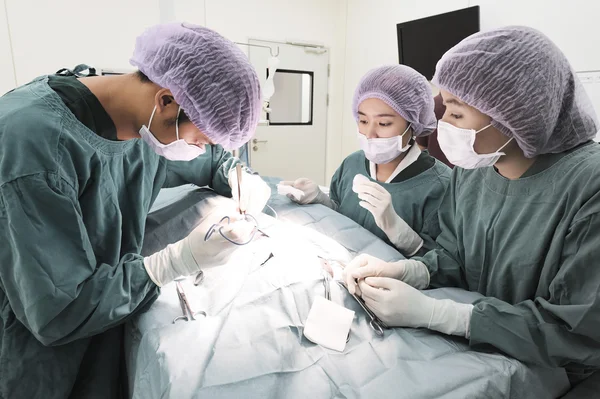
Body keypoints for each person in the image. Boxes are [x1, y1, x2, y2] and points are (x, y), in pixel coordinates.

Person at [0, 22, 271, 398]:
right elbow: (56, 311)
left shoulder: (140, 123)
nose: (199, 148)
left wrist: (236, 173)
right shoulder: (32, 146)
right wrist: (176, 261)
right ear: (165, 101)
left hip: (107, 321)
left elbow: (206, 160)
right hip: (43, 355)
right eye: (200, 139)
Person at [343, 26, 600, 386]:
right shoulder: (475, 170)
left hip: (556, 374)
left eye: (457, 114)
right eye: (444, 106)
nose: (441, 124)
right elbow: (455, 255)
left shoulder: (590, 186)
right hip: (479, 353)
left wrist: (441, 314)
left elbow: (578, 331)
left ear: (516, 113)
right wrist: (409, 271)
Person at [281, 65, 450, 256]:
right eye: (363, 121)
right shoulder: (352, 163)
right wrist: (320, 199)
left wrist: (399, 231)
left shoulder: (441, 186)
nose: (370, 134)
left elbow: (444, 266)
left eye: (384, 123)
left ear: (413, 123)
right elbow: (343, 215)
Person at [415, 93, 453, 167]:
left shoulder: (432, 105)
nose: (444, 120)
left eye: (457, 116)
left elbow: (420, 145)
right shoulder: (433, 106)